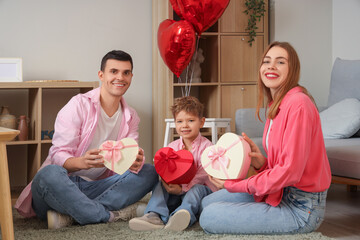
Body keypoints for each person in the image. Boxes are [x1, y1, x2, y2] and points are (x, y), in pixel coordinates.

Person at [14, 50, 158, 229]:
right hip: (63, 185)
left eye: (126, 72)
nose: (120, 77)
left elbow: (130, 153)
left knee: (149, 171)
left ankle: (72, 215)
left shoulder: (131, 116)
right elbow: (58, 154)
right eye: (114, 71)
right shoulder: (78, 105)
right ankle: (111, 215)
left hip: (99, 186)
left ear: (131, 76)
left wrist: (134, 161)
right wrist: (82, 162)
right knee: (48, 174)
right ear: (101, 75)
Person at [199, 41, 332, 235]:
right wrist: (262, 163)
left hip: (301, 209)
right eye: (267, 61)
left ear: (292, 69)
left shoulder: (299, 104)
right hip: (278, 194)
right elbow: (285, 165)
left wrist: (236, 185)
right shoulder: (277, 105)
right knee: (207, 203)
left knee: (209, 216)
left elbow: (291, 172)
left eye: (280, 62)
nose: (271, 66)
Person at [129, 96, 218, 231]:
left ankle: (182, 215)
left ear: (201, 122)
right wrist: (167, 182)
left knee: (197, 189)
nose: (184, 126)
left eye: (191, 121)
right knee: (160, 185)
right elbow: (166, 170)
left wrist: (182, 189)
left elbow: (202, 176)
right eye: (180, 121)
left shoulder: (208, 148)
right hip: (176, 192)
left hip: (198, 193)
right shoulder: (172, 147)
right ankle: (154, 215)